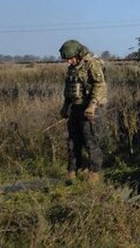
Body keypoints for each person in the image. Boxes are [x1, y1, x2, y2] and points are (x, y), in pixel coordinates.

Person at [58, 39, 107, 183]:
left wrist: (92, 105)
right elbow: (70, 88)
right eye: (67, 60)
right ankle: (73, 170)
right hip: (76, 107)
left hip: (91, 108)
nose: (69, 62)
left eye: (71, 58)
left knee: (90, 140)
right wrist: (66, 106)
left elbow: (100, 85)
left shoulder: (92, 64)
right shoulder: (72, 67)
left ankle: (94, 172)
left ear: (79, 54)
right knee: (73, 141)